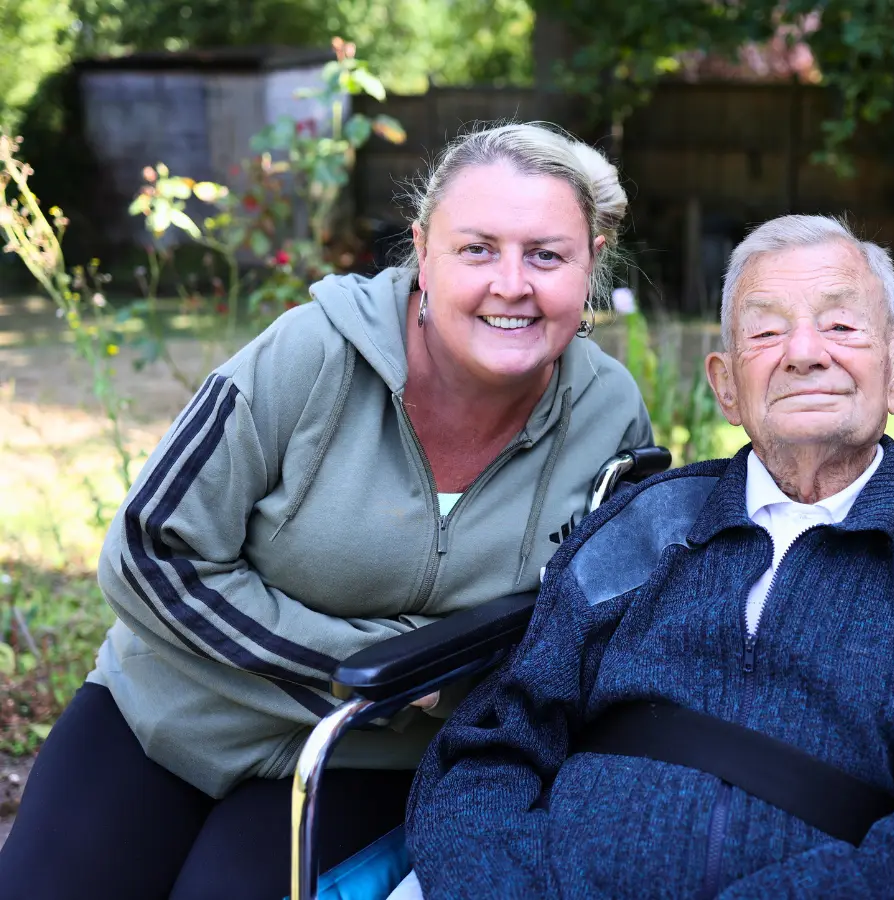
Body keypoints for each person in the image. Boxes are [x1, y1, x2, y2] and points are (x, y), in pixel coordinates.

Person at [0, 122, 654, 899]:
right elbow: (148, 554)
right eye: (477, 249)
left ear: (591, 265)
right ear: (422, 248)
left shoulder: (610, 418)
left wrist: (433, 694)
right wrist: (384, 672)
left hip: (364, 760)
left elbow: (605, 631)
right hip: (169, 712)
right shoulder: (311, 355)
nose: (510, 283)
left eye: (545, 255)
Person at [400, 214, 894, 899]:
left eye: (840, 326)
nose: (804, 353)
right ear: (725, 385)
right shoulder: (647, 526)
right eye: (767, 331)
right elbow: (497, 744)